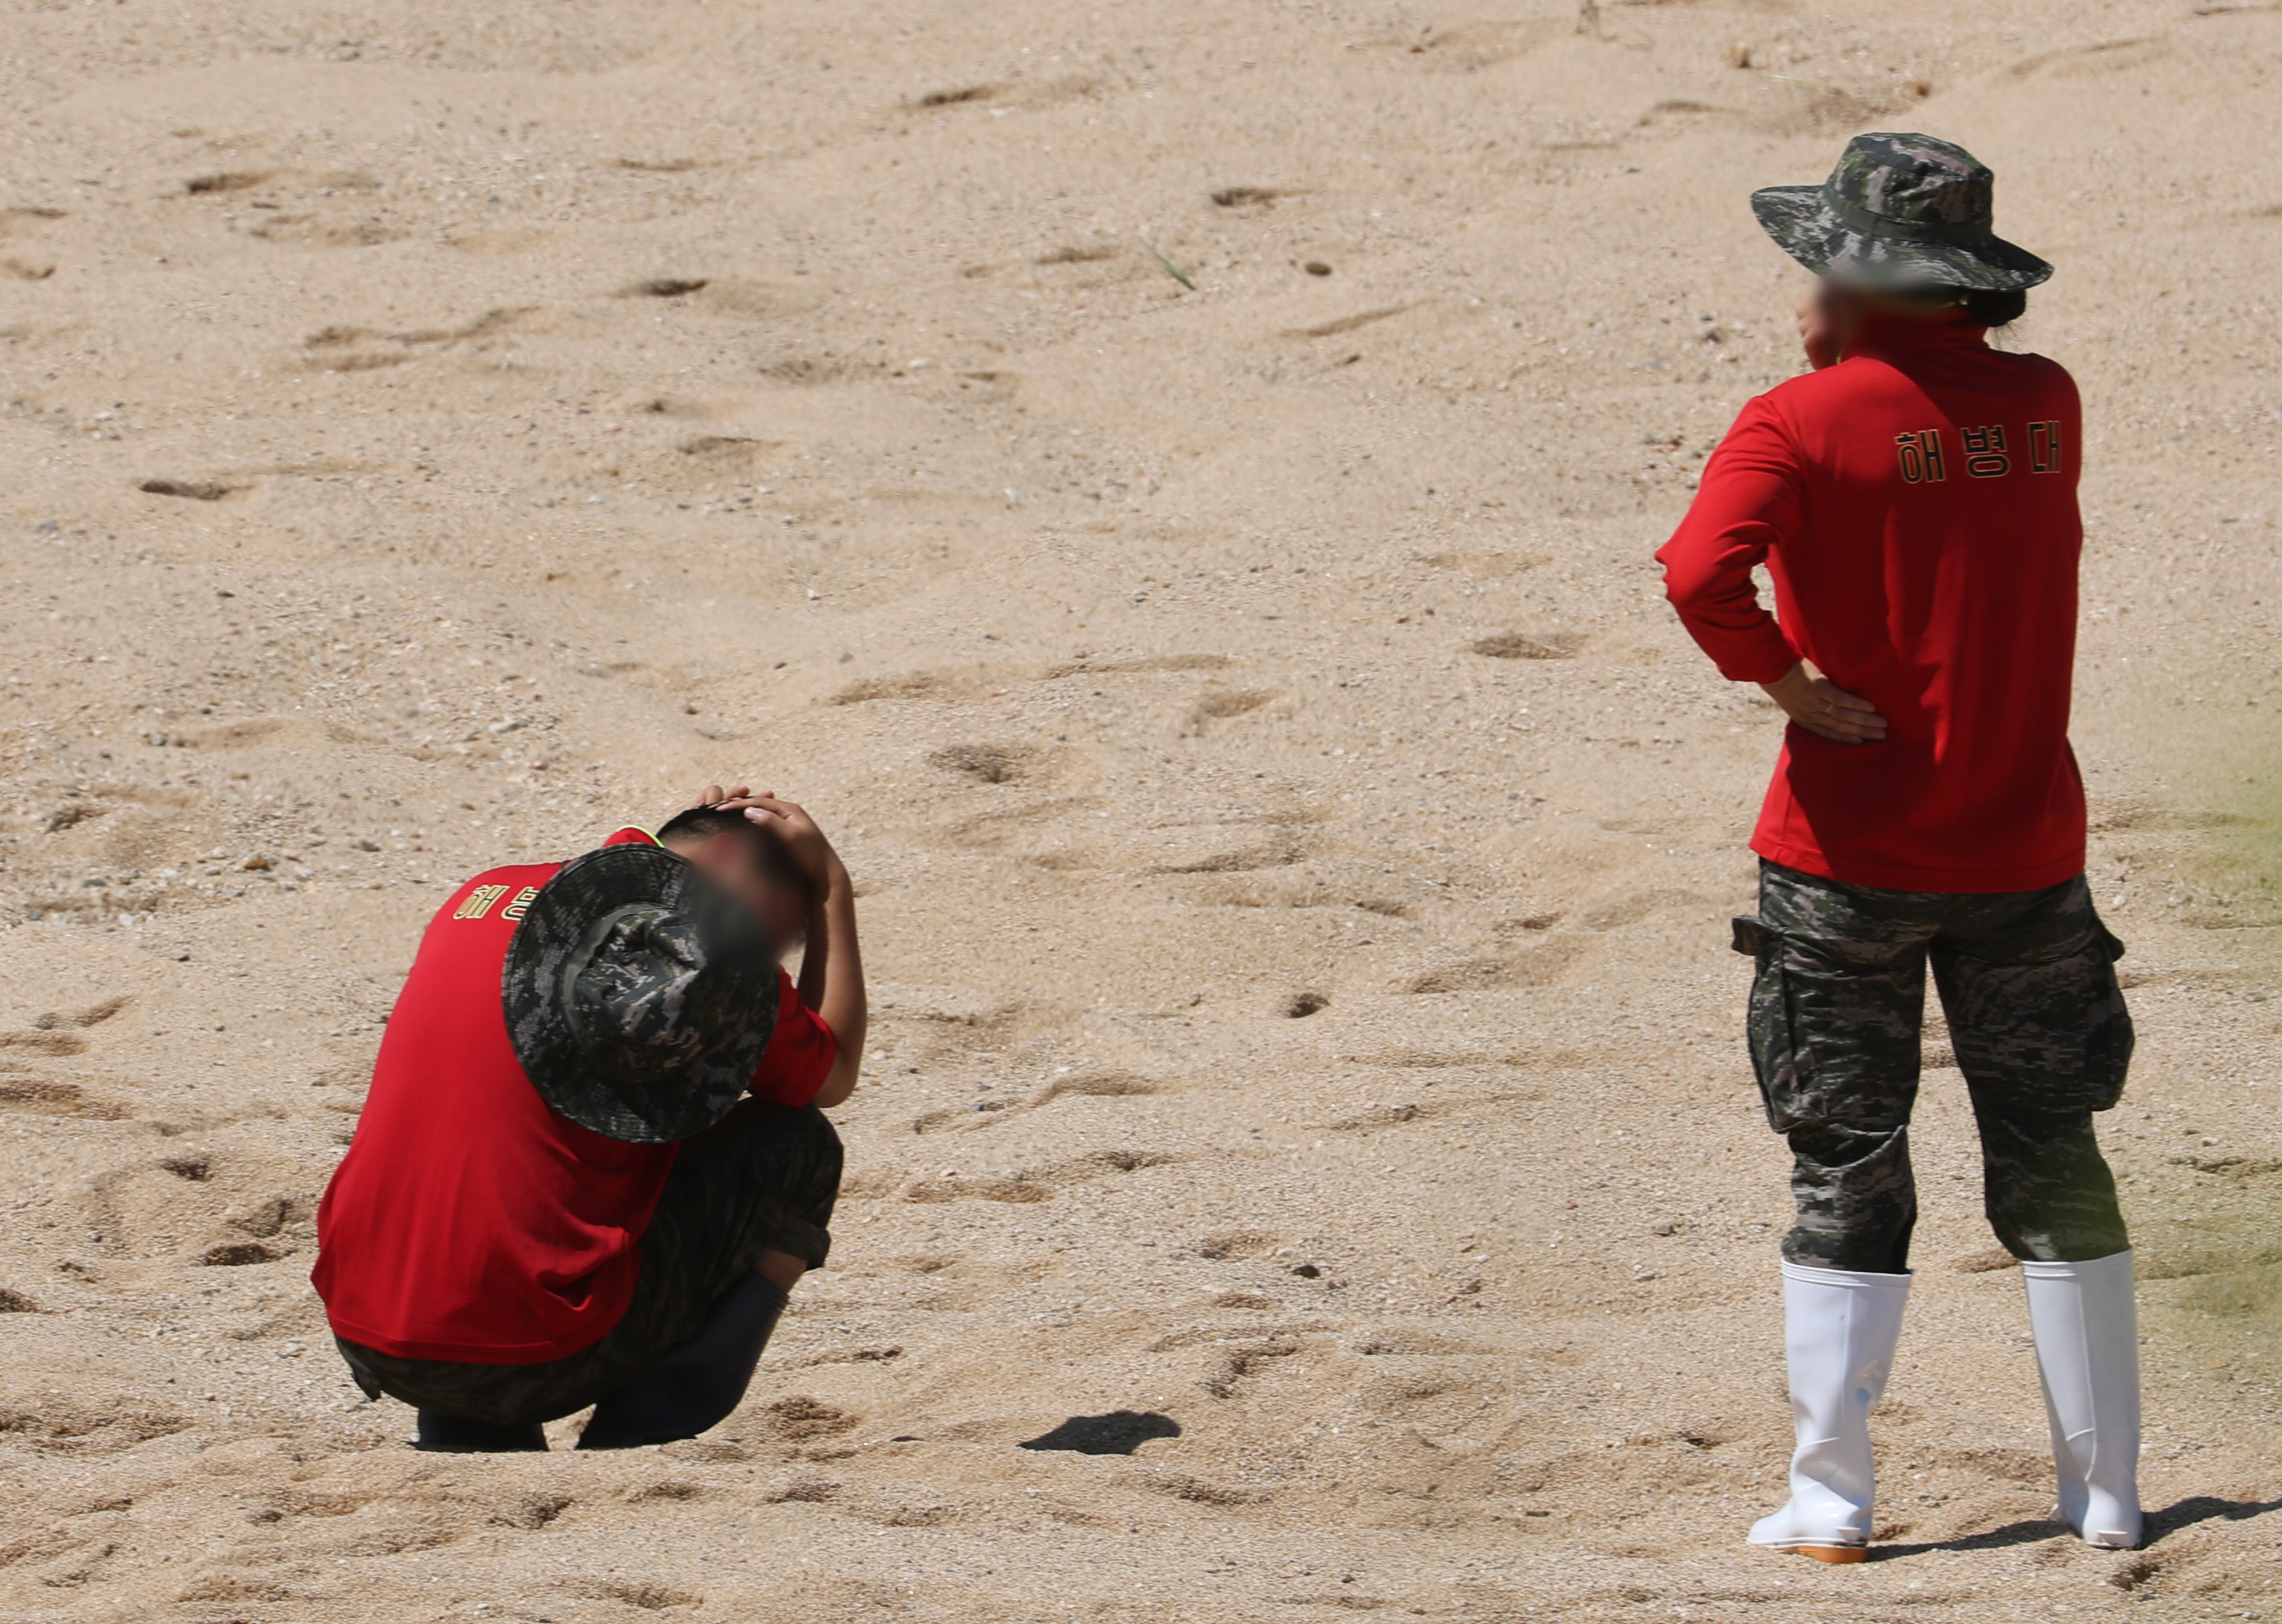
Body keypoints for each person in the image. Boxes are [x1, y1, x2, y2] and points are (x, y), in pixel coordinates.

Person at [1657, 134, 2143, 1560]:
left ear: (1862, 277)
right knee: (2053, 1150)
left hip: (1844, 854)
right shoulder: (2044, 404)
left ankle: (1832, 1497)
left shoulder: (1795, 419)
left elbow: (1696, 571)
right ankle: (2103, 1490)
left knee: (1847, 1157)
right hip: (2024, 849)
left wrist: (1785, 681)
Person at [312, 783, 866, 1452]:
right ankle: (650, 1427)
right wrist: (833, 889)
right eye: (777, 934)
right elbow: (829, 1078)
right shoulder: (710, 942)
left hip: (367, 1329)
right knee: (796, 1145)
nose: (766, 960)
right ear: (723, 861)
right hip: (533, 1358)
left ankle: (470, 1430)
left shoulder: (484, 893)